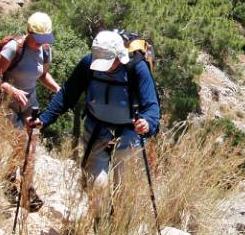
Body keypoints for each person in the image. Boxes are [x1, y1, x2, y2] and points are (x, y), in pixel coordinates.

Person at [28, 30, 160, 191]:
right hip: (96, 132)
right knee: (97, 187)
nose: (103, 68)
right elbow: (67, 94)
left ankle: (119, 216)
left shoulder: (137, 68)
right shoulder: (88, 63)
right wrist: (44, 119)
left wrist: (147, 122)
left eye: (108, 63)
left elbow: (152, 105)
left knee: (124, 192)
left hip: (129, 136)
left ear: (120, 56)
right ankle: (97, 216)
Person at [0, 11, 61, 129]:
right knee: (19, 141)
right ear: (29, 31)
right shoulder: (13, 48)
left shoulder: (46, 50)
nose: (41, 41)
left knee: (32, 140)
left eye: (44, 38)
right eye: (38, 37)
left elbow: (43, 75)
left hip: (29, 104)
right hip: (6, 103)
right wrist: (13, 91)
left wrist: (58, 89)